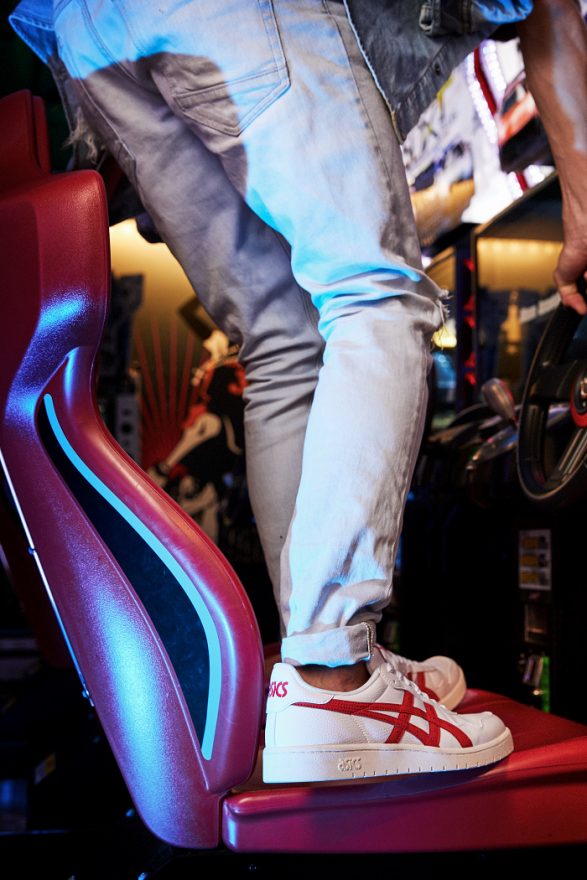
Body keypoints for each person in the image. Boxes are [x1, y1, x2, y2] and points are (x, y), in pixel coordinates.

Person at [7, 0, 586, 784]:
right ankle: (332, 676)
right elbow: (553, 12)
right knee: (374, 293)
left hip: (89, 27)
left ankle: (318, 675)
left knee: (283, 336)